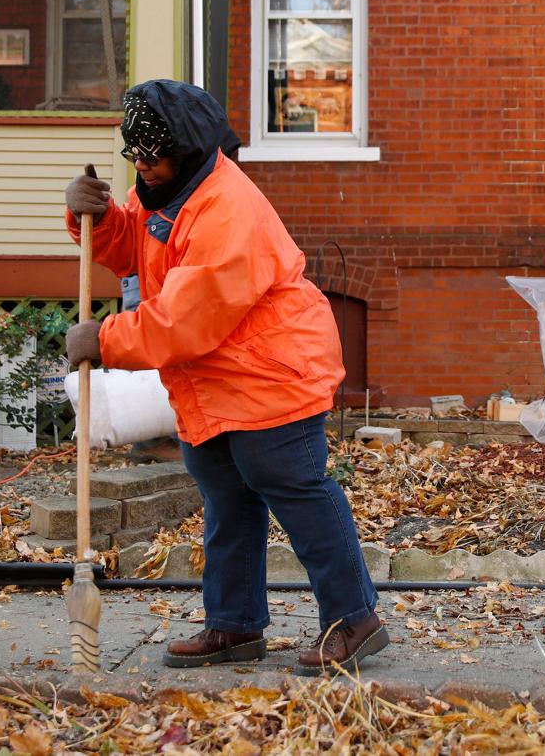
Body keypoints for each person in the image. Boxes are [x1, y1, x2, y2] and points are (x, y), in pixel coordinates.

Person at [62, 79, 385, 673]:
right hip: (214, 380)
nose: (141, 167)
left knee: (296, 490)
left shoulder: (225, 207)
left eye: (150, 157)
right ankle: (234, 626)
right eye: (133, 155)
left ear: (183, 149)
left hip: (270, 372)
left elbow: (186, 319)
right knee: (225, 498)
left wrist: (102, 339)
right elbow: (132, 243)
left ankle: (355, 620)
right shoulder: (166, 188)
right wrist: (99, 217)